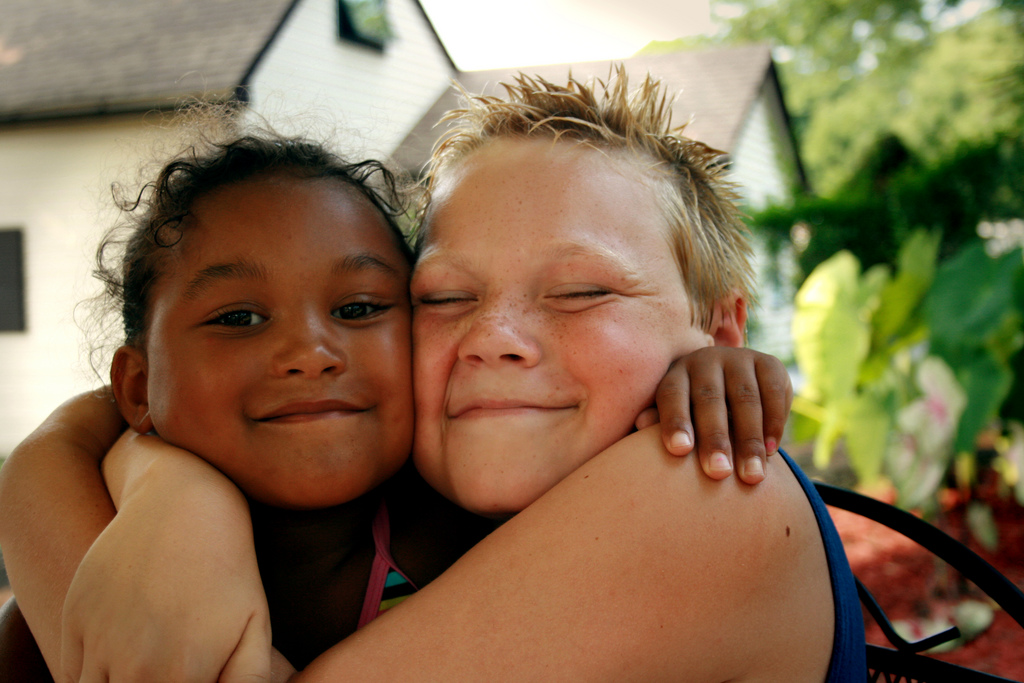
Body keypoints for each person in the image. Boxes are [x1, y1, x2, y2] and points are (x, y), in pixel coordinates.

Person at [0, 103, 794, 680]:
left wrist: (710, 377)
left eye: (583, 291)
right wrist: (163, 481)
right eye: (446, 297)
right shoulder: (101, 578)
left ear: (720, 329)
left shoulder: (697, 475)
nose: (311, 352)